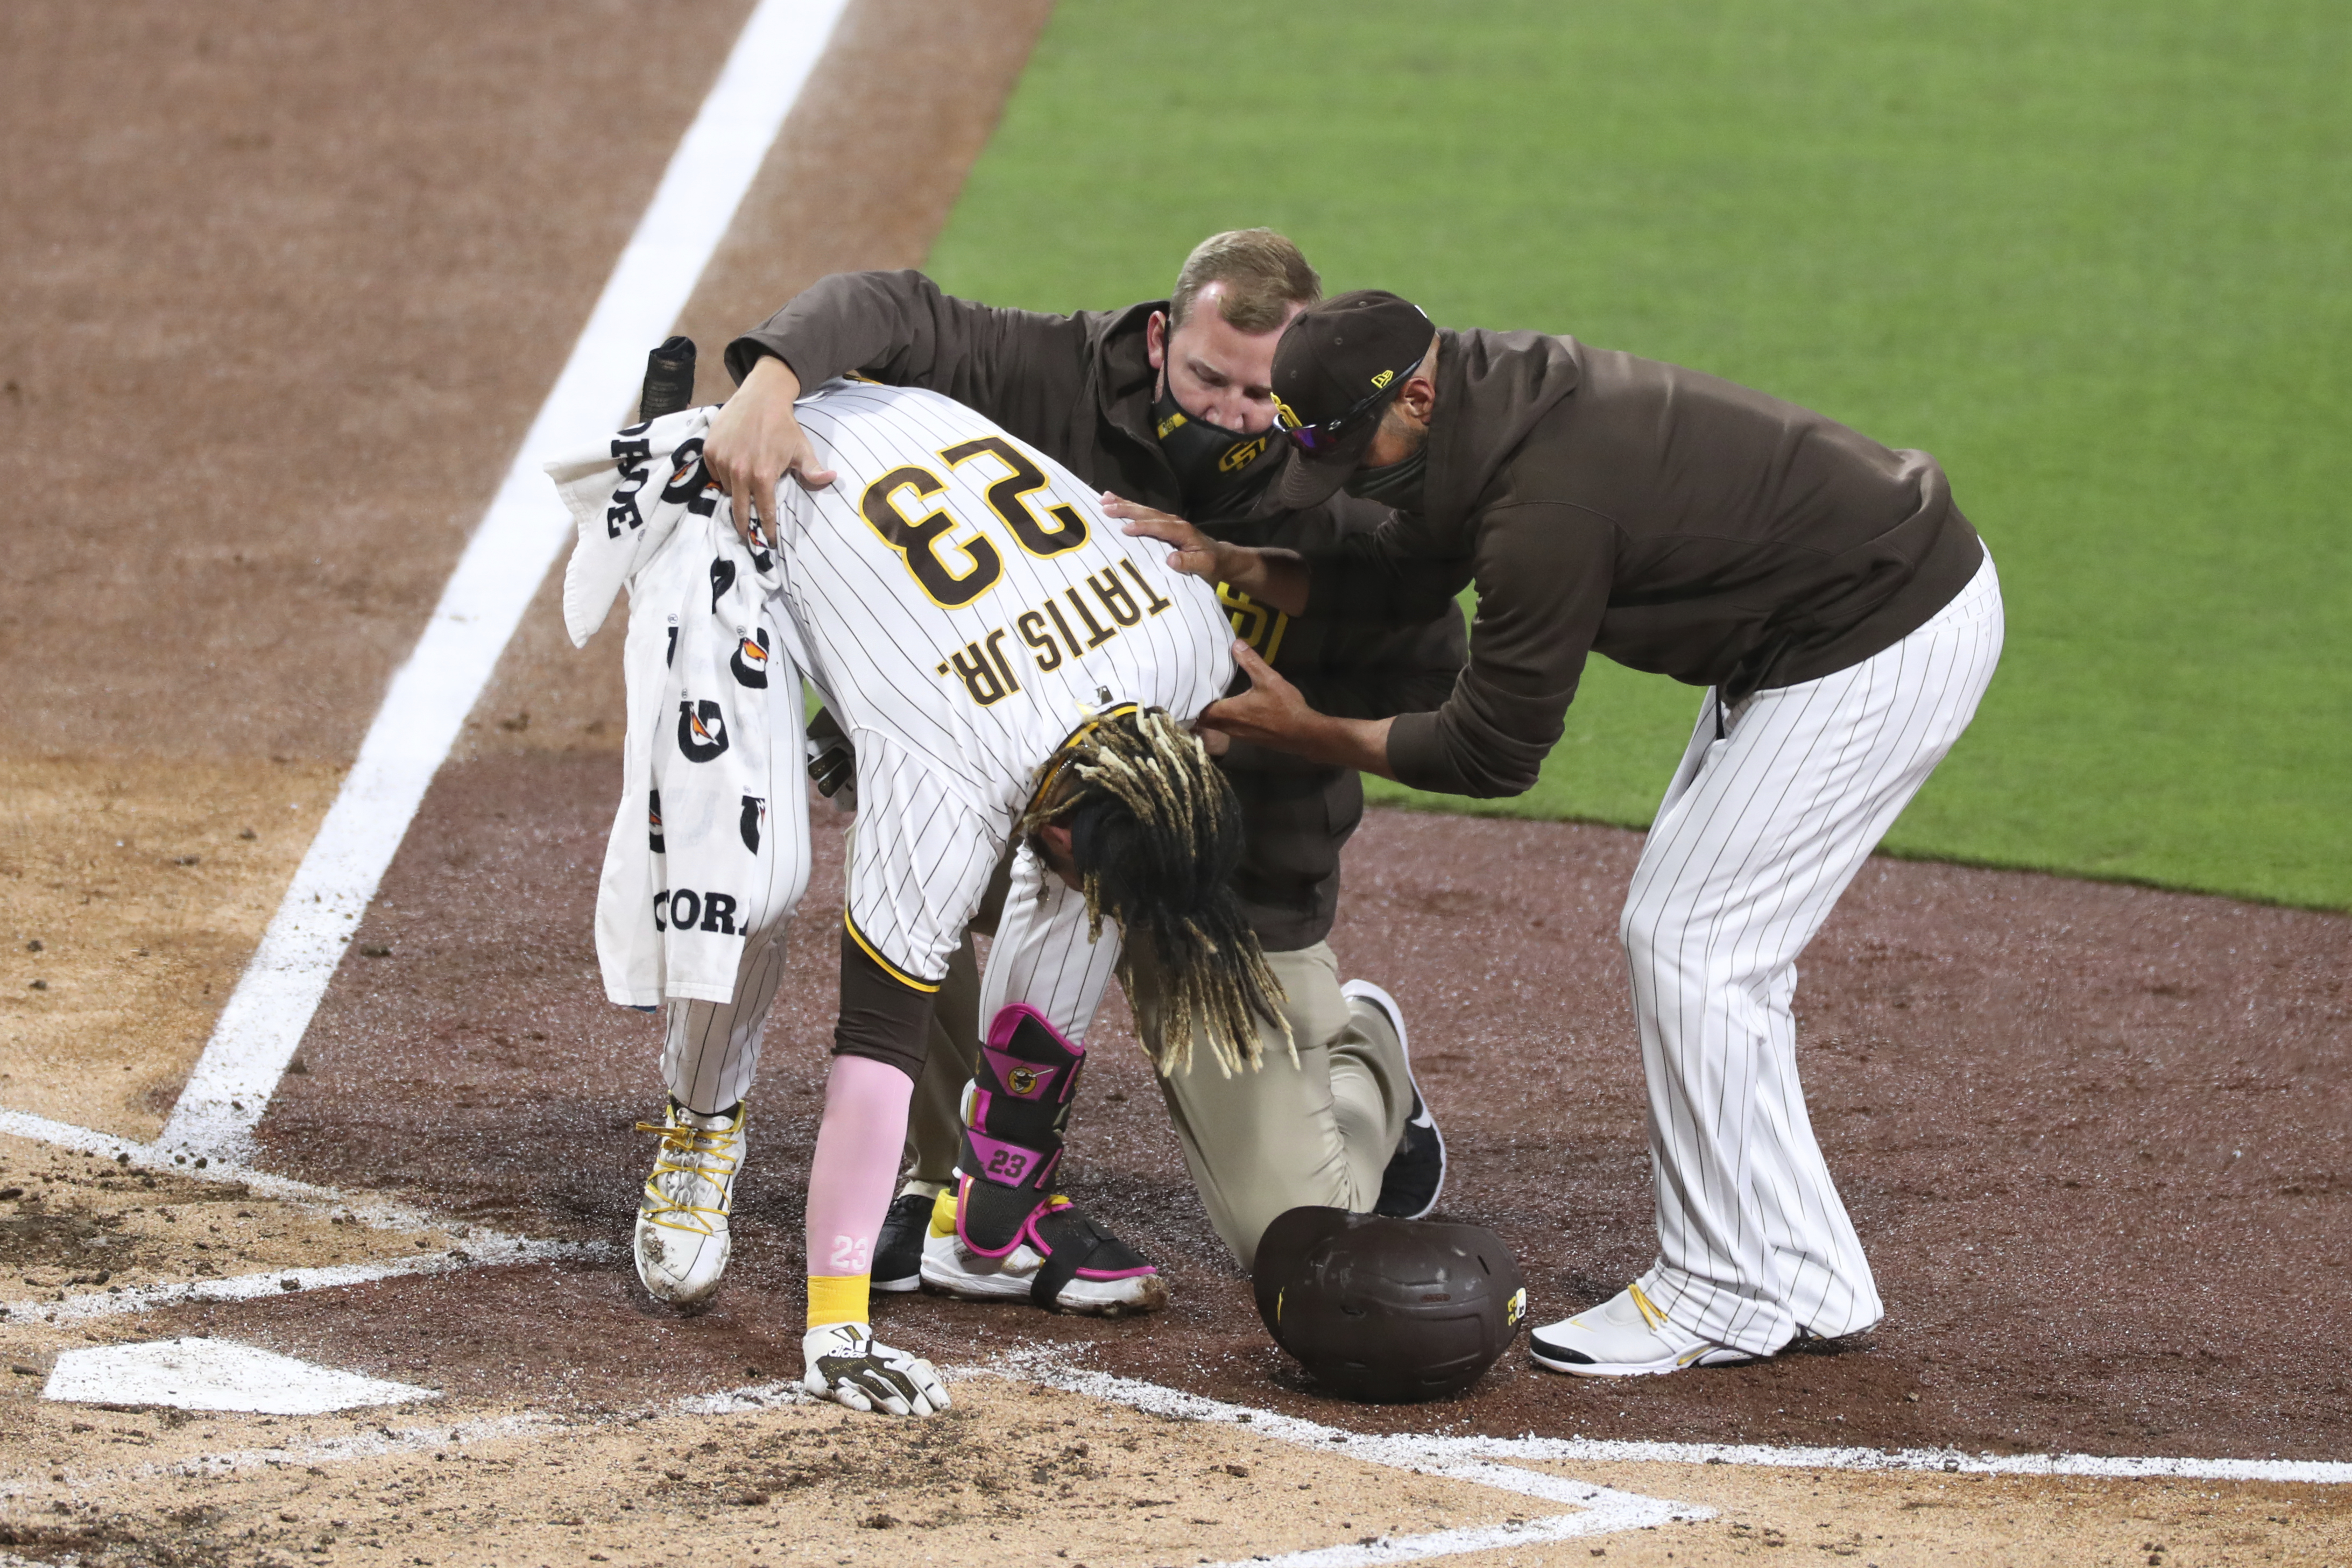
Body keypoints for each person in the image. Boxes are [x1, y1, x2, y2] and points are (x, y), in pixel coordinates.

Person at [1124, 290, 2003, 1377]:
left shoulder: (1543, 502)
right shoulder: (1483, 399)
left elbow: (1493, 751)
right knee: (1712, 952)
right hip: (1830, 618)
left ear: (1417, 393)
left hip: (1878, 632)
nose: (1352, 475)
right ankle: (1803, 1269)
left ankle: (1722, 1284)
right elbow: (1404, 571)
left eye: (1360, 445)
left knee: (1690, 943)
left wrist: (1300, 729)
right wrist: (1237, 561)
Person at [694, 232, 1466, 1289]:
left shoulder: (1347, 487)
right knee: (918, 824)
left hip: (1229, 879)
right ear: (1159, 341)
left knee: (1295, 1230)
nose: (1234, 412)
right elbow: (887, 306)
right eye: (1207, 378)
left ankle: (1361, 1048)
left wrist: (1307, 733)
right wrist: (768, 388)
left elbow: (1447, 693)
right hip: (1054, 811)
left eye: (1262, 393)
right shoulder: (1052, 377)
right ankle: (948, 1176)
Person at [550, 378, 1282, 1414]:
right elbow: (874, 1058)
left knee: (1089, 893)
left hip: (908, 515)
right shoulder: (949, 783)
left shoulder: (1186, 637)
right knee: (751, 884)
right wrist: (837, 1326)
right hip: (744, 493)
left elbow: (1154, 798)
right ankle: (702, 1124)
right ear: (1060, 825)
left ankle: (995, 1206)